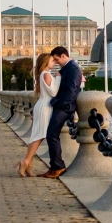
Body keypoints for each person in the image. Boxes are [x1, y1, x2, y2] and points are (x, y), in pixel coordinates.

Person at [39, 46, 82, 179]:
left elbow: (72, 89)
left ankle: (58, 166)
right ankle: (55, 166)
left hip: (65, 107)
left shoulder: (73, 68)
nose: (56, 62)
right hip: (62, 105)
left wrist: (64, 105)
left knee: (51, 134)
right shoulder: (68, 68)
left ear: (63, 55)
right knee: (52, 134)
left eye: (57, 59)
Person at [17, 53, 58, 177]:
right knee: (40, 135)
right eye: (52, 60)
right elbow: (54, 92)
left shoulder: (42, 74)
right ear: (46, 62)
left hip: (42, 105)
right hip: (45, 107)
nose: (55, 62)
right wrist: (59, 78)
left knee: (37, 135)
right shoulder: (46, 74)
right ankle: (26, 162)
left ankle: (28, 164)